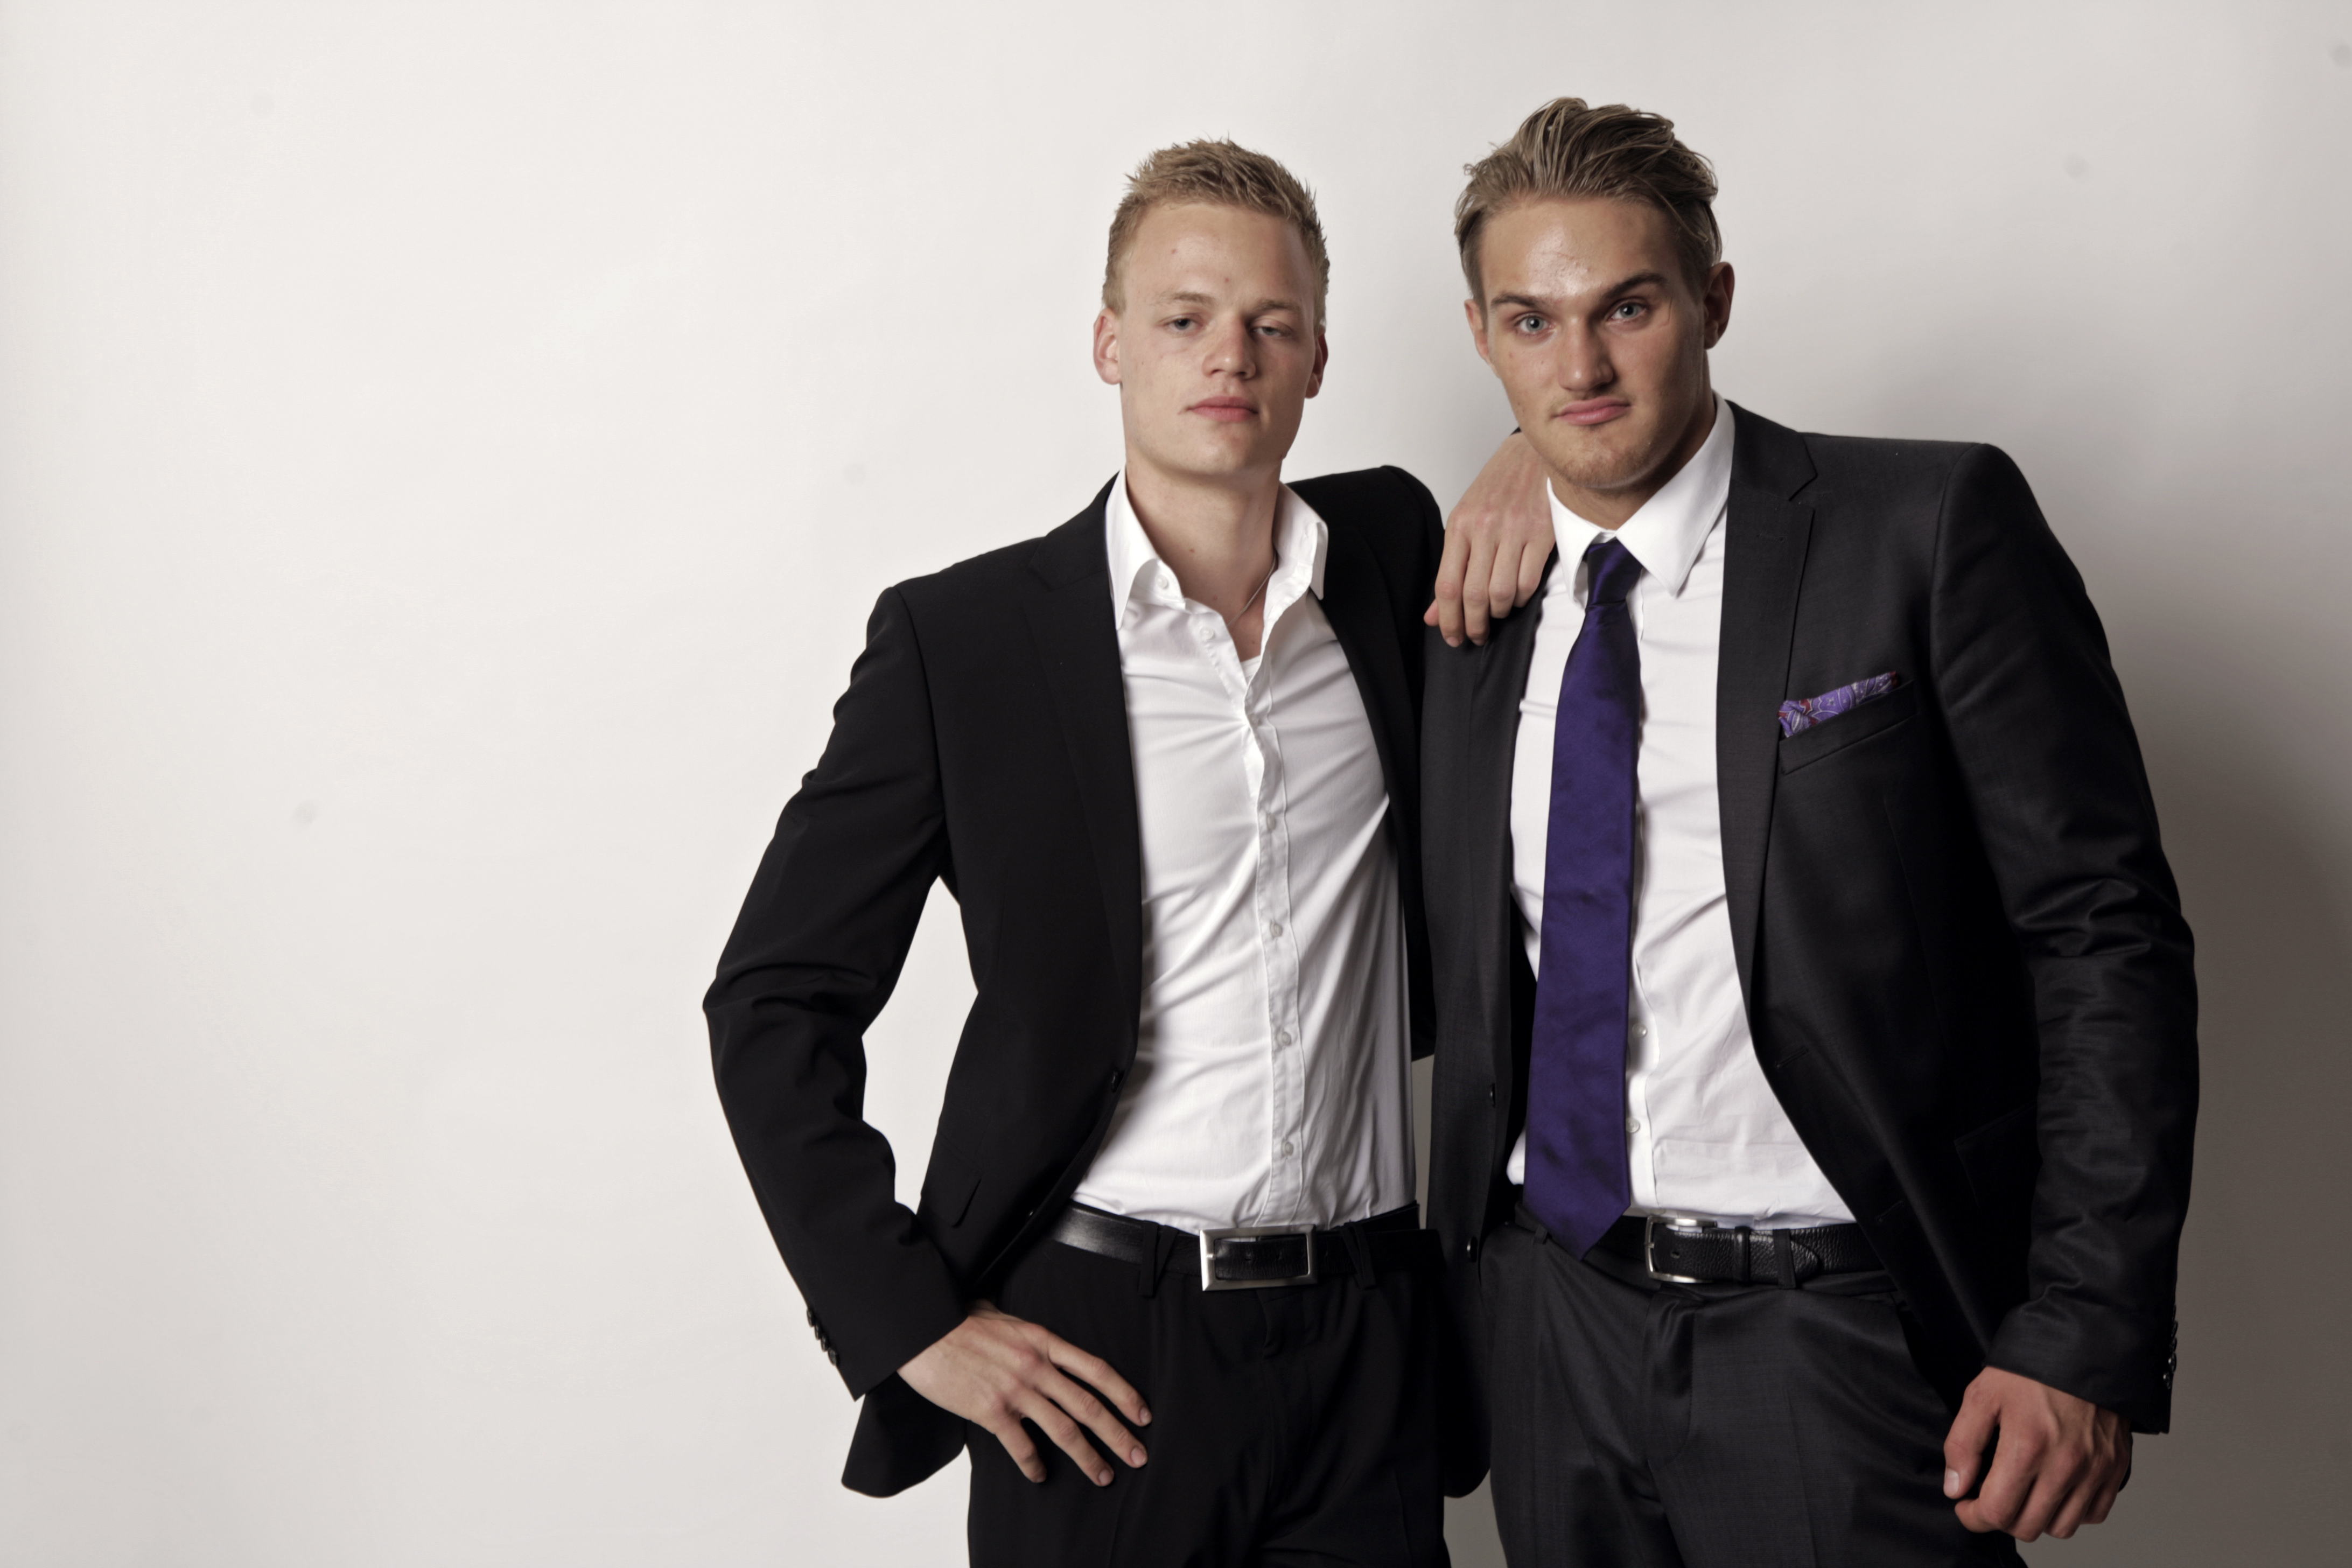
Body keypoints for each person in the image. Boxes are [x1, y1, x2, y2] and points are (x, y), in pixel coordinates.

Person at [705, 139, 1546, 1566]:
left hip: (1372, 1339)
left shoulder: (1395, 556)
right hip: (1099, 1351)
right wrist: (910, 1324)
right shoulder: (966, 645)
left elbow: (1576, 461)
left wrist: (1528, 452)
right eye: (1184, 318)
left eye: (1272, 323)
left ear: (1319, 357)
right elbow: (773, 997)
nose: (1231, 355)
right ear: (1109, 344)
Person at [1419, 99, 2199, 1565]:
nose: (1580, 367)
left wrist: (2085, 1326)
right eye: (1532, 322)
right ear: (1481, 337)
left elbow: (2103, 935)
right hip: (1549, 1325)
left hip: (1839, 1331)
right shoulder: (1469, 603)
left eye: (1628, 308)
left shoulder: (1925, 525)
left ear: (1713, 299)